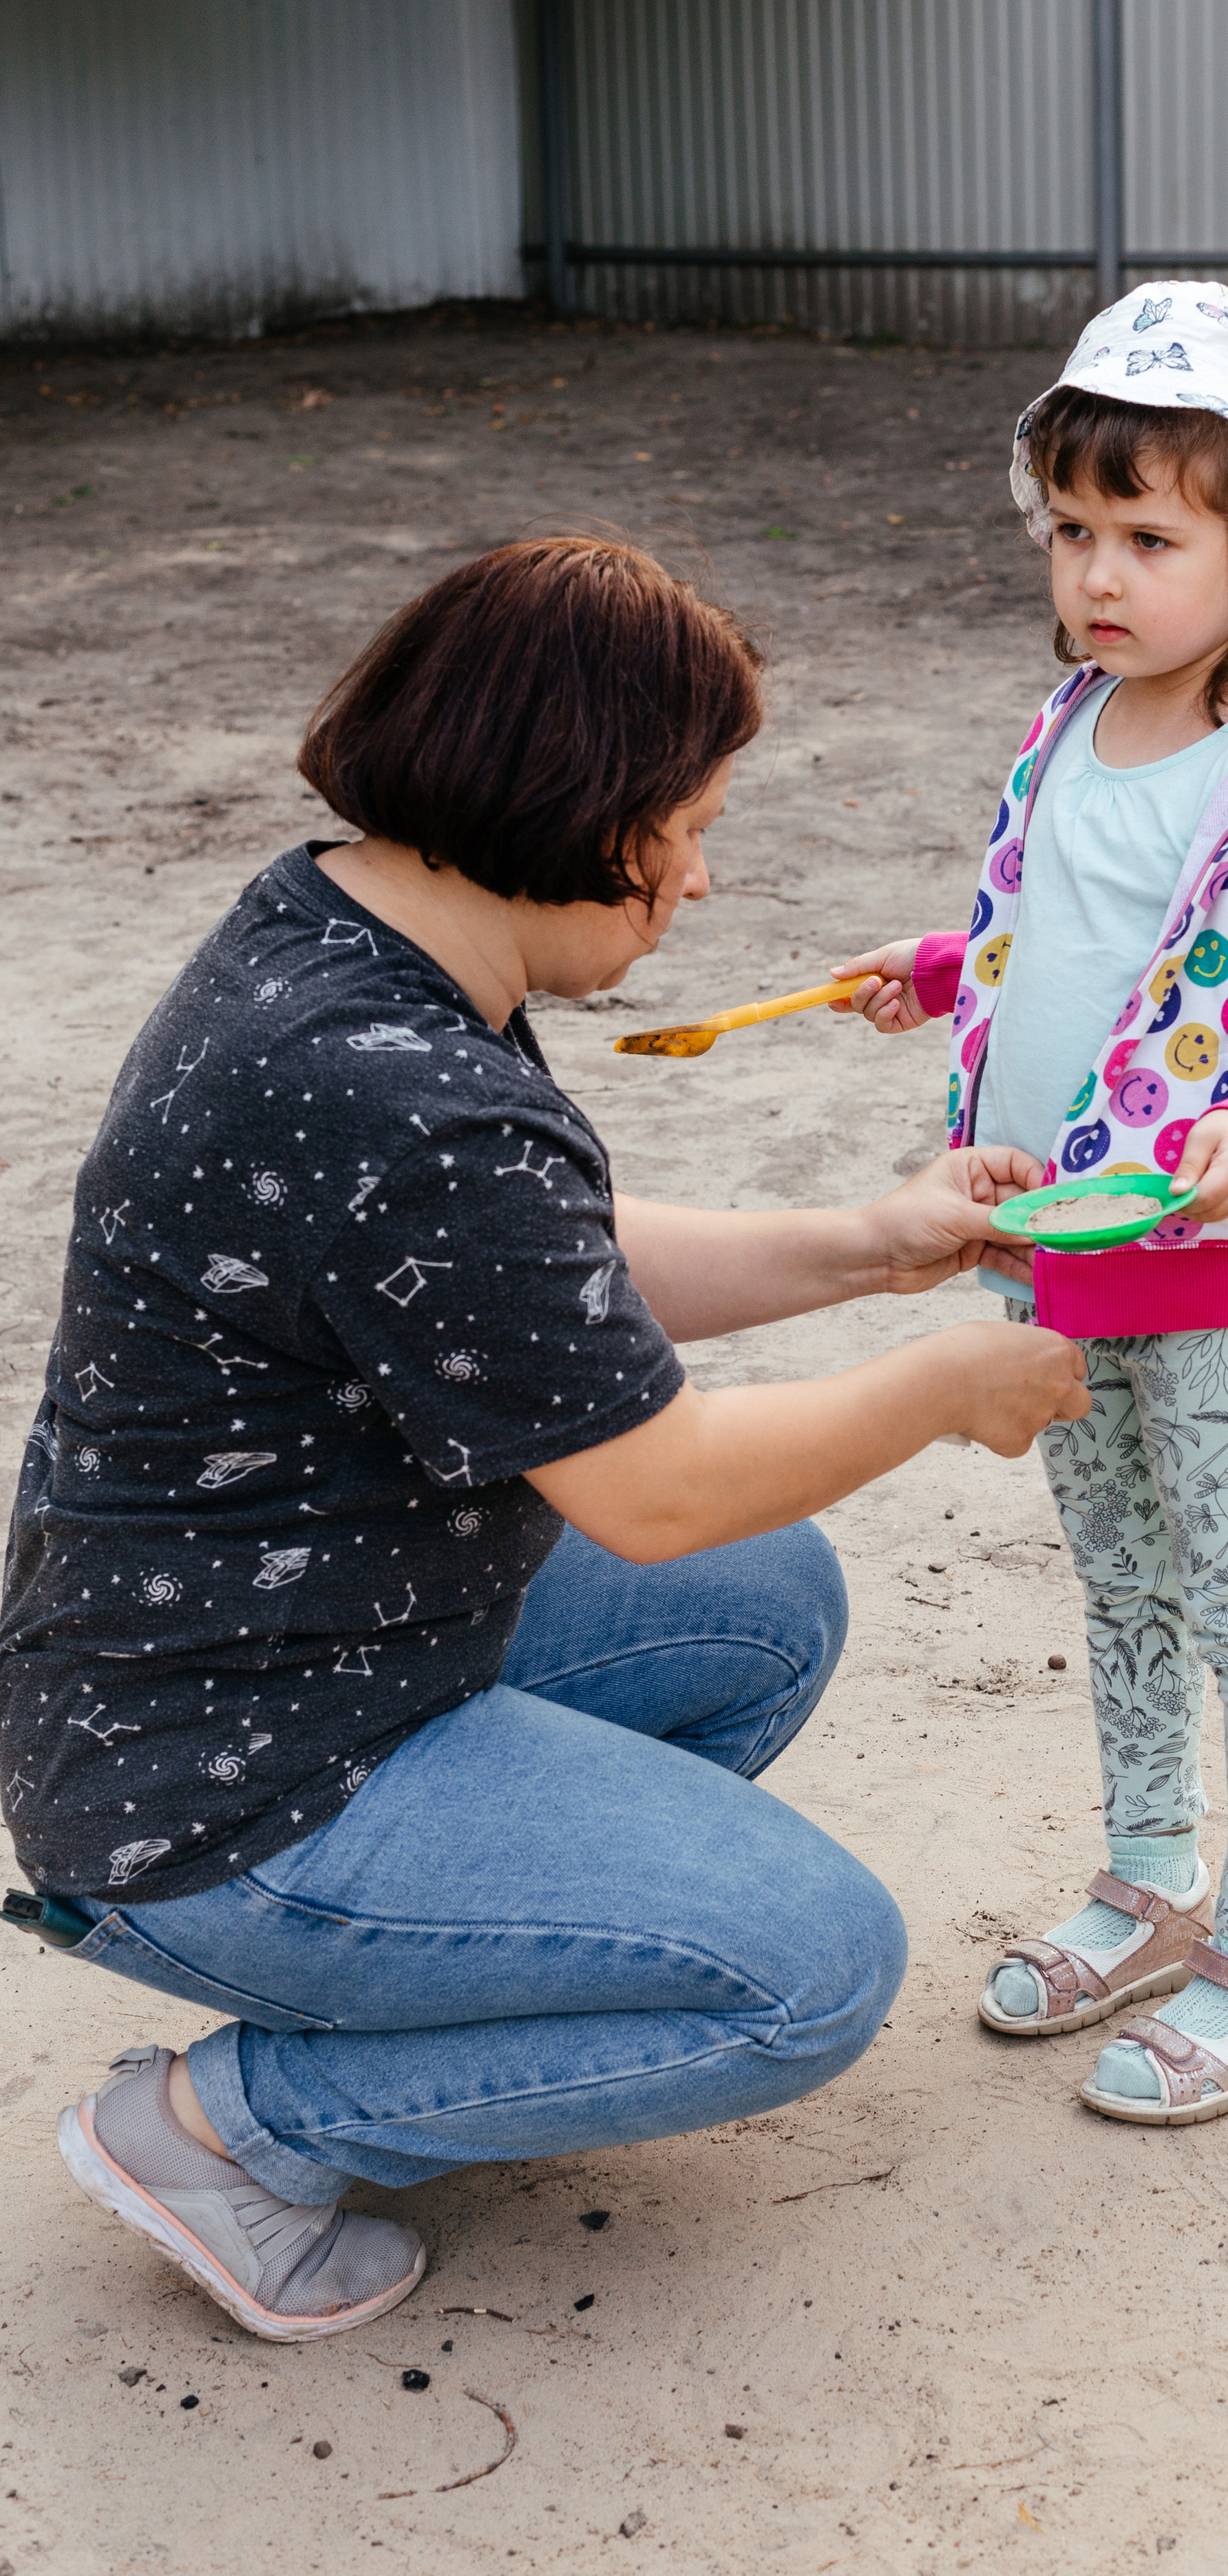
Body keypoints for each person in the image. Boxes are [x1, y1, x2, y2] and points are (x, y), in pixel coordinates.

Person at [0, 535, 1090, 2341]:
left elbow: (537, 1270)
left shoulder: (345, 932)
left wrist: (866, 1248)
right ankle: (233, 2126)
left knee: (766, 1599)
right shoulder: (406, 1092)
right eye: (688, 822)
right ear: (588, 819)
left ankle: (459, 1991)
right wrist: (937, 1389)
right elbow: (651, 1489)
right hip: (222, 1792)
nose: (698, 878)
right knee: (811, 1976)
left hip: (231, 1667)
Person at [832, 283, 1228, 2127]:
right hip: (1058, 1247)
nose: (1101, 574)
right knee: (1122, 1588)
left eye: (1151, 536)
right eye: (1076, 530)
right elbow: (1080, 935)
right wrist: (950, 968)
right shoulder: (1070, 722)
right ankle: (1153, 1878)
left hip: (1225, 1267)